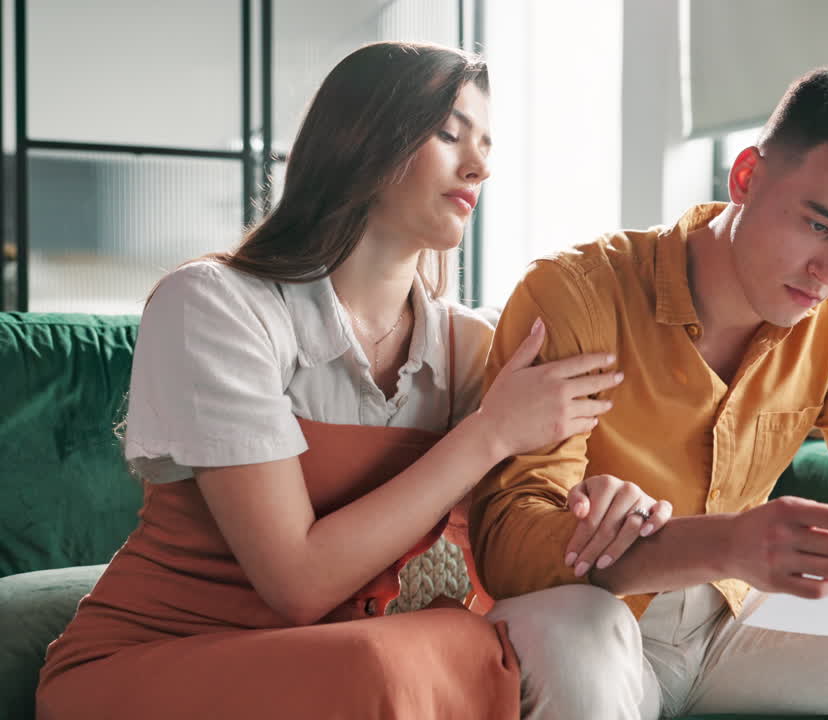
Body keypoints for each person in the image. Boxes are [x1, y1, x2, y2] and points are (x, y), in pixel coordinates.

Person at [36, 41, 666, 720]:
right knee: (395, 660)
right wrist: (489, 435)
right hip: (166, 662)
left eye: (486, 143)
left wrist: (598, 503)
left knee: (539, 627)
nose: (479, 165)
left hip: (361, 659)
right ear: (361, 139)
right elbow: (297, 581)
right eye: (448, 133)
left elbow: (525, 523)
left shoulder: (470, 349)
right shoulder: (214, 305)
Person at [470, 67, 828, 720]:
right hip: (606, 622)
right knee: (571, 625)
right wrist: (726, 543)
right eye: (817, 225)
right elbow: (510, 556)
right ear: (745, 176)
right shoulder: (579, 294)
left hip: (735, 630)